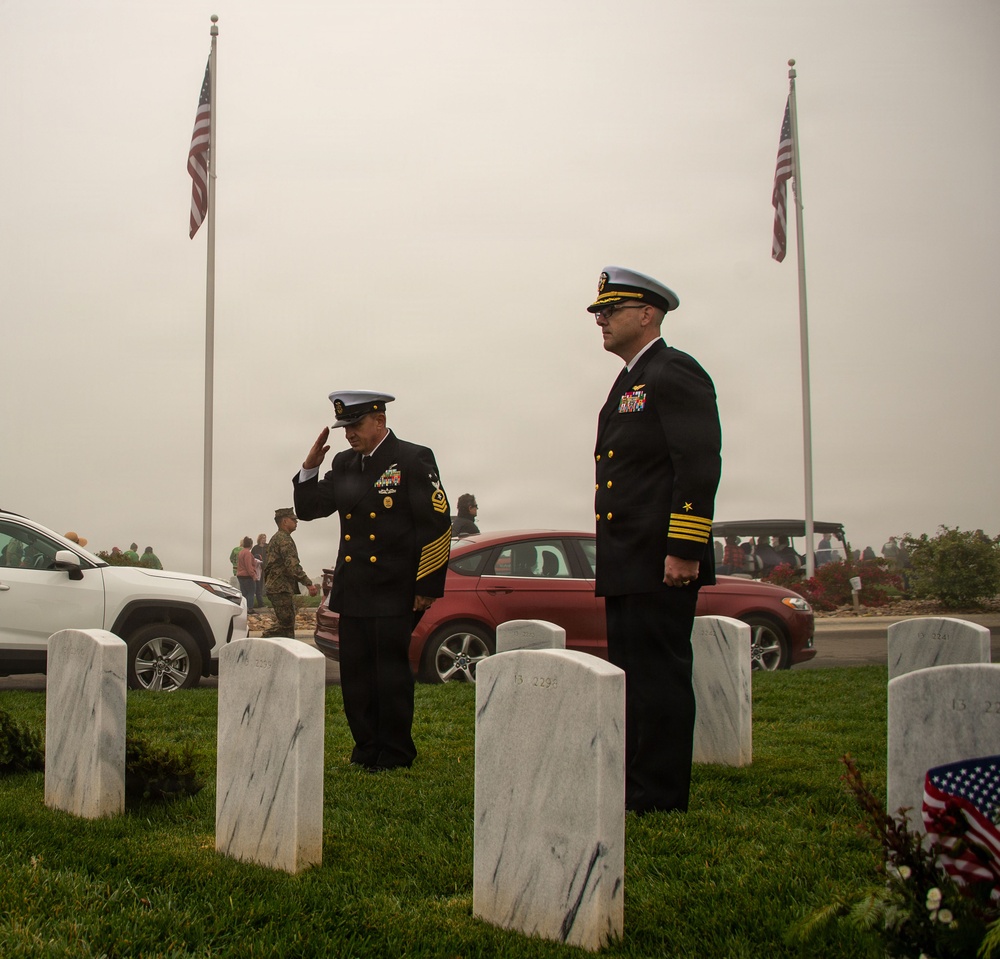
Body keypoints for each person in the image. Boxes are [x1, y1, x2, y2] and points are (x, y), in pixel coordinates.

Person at [589, 266, 722, 815]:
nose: (600, 320)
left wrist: (685, 548)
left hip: (661, 557)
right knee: (632, 677)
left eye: (610, 310)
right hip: (627, 557)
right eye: (598, 311)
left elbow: (697, 463)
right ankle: (635, 785)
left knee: (660, 676)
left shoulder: (674, 371)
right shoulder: (628, 381)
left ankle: (661, 796)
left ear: (647, 314)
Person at [293, 390, 451, 771]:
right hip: (355, 588)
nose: (349, 434)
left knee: (389, 676)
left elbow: (437, 525)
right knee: (357, 677)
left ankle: (395, 752)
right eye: (345, 426)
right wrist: (310, 469)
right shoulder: (346, 464)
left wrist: (426, 587)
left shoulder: (412, 459)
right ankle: (366, 747)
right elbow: (310, 509)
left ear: (379, 421)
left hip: (394, 589)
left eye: (356, 424)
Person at [263, 509, 317, 638]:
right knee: (286, 624)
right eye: (293, 519)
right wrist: (308, 583)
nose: (296, 522)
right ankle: (261, 643)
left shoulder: (278, 538)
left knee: (287, 625)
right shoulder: (284, 539)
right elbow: (292, 565)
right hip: (279, 588)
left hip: (279, 587)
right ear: (284, 521)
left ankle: (284, 652)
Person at [235, 536, 257, 611]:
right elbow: (248, 566)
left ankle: (244, 608)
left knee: (244, 593)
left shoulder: (241, 552)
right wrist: (253, 575)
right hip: (247, 576)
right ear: (251, 544)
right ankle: (250, 608)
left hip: (240, 575)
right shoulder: (248, 553)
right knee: (251, 592)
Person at [251, 533, 268, 609]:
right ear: (260, 539)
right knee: (259, 585)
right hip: (258, 569)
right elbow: (252, 557)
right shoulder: (255, 548)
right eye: (263, 538)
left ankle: (267, 596)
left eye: (265, 538)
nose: (264, 539)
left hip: (266, 567)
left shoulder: (267, 547)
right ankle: (260, 601)